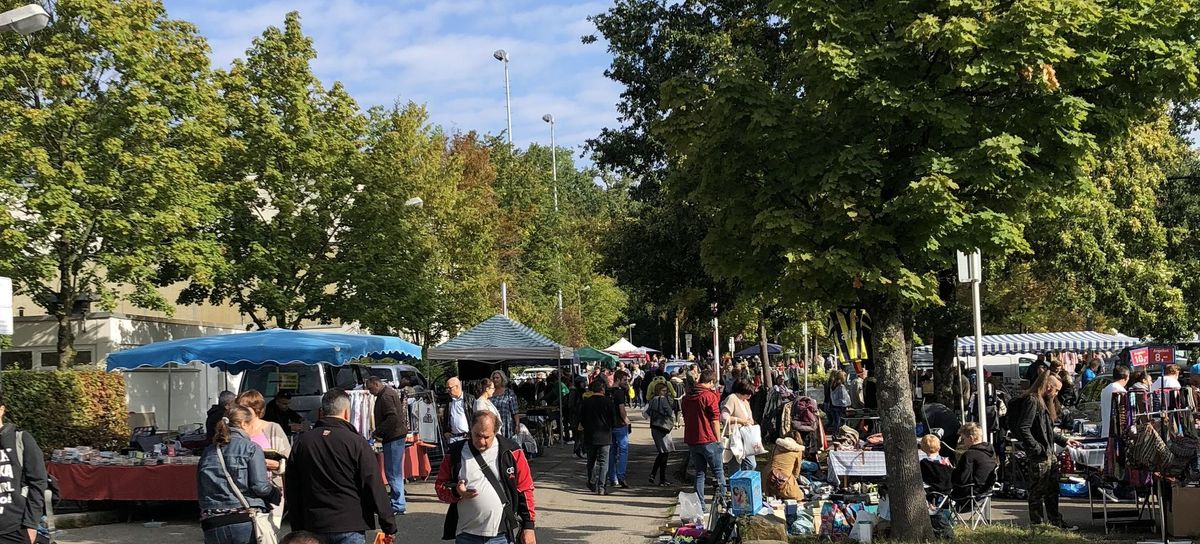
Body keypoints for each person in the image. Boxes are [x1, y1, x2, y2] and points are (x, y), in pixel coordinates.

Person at [285, 389, 397, 544]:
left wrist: (297, 527)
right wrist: (388, 524)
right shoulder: (356, 442)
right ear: (346, 413)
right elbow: (373, 485)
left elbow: (292, 487)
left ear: (322, 412)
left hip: (314, 524)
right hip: (350, 522)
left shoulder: (303, 442)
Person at [435, 411, 537, 544]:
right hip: (466, 534)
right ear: (470, 429)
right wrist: (456, 492)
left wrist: (529, 527)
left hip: (501, 536)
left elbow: (525, 489)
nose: (481, 442)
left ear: (495, 432)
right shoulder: (455, 453)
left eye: (487, 437)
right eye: (477, 435)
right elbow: (440, 487)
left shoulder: (512, 451)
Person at [197, 405, 280, 544]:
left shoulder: (208, 451)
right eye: (251, 425)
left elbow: (201, 488)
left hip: (212, 520)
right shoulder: (251, 448)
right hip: (243, 518)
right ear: (243, 424)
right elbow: (260, 487)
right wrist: (275, 494)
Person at [1011, 371, 1082, 530]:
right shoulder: (1032, 401)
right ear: (1048, 387)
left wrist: (1064, 440)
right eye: (1056, 390)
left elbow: (1047, 430)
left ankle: (1055, 522)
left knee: (1052, 490)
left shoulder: (1042, 402)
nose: (1056, 394)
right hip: (1040, 455)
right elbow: (1024, 428)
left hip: (1048, 453)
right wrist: (1037, 448)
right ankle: (1038, 525)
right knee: (1037, 491)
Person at [236, 390, 291, 533]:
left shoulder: (273, 428)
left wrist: (278, 465)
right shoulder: (236, 431)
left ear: (256, 410)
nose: (241, 412)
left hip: (268, 491)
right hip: (240, 492)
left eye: (245, 408)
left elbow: (289, 461)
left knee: (267, 533)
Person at [0, 392, 47, 544]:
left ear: (1, 410)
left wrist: (31, 525)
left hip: (14, 528)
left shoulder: (20, 439)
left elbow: (38, 482)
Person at [365, 376, 410, 516]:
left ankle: (398, 505)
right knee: (394, 471)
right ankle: (398, 502)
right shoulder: (387, 393)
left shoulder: (385, 396)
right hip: (394, 436)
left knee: (393, 471)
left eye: (371, 388)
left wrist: (378, 432)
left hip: (394, 437)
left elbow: (392, 417)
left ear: (377, 384)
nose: (370, 392)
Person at [682, 369, 724, 503]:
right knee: (718, 472)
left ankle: (700, 505)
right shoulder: (708, 396)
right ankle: (723, 503)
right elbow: (714, 420)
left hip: (692, 440)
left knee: (700, 473)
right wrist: (718, 439)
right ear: (711, 381)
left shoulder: (687, 397)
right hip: (708, 439)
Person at [580, 379, 614, 494]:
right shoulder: (608, 401)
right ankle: (601, 486)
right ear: (603, 389)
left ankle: (591, 481)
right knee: (603, 462)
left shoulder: (586, 402)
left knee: (591, 461)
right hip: (605, 435)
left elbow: (582, 419)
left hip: (590, 435)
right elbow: (613, 419)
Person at [952, 422, 997, 503]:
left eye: (963, 439)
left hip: (970, 495)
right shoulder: (990, 452)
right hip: (986, 492)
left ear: (971, 438)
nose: (963, 442)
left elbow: (962, 478)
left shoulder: (969, 455)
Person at [722, 379, 756, 471]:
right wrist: (741, 421)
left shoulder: (745, 402)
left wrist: (750, 422)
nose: (749, 396)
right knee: (735, 465)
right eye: (748, 394)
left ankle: (744, 481)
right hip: (735, 437)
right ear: (742, 391)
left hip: (746, 436)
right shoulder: (732, 398)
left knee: (751, 464)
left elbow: (750, 417)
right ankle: (736, 483)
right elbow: (724, 417)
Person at [647, 383, 675, 486]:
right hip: (663, 427)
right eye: (663, 391)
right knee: (665, 452)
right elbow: (669, 411)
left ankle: (654, 475)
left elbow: (648, 412)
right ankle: (661, 478)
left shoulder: (652, 400)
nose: (665, 392)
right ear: (659, 391)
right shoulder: (663, 400)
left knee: (662, 452)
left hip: (655, 426)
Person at [608, 370, 632, 489]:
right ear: (618, 379)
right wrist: (626, 420)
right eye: (624, 380)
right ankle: (621, 475)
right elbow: (621, 409)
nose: (626, 382)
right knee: (623, 451)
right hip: (620, 425)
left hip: (609, 425)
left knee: (611, 451)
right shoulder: (619, 393)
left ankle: (612, 478)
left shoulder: (607, 391)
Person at [768, 431, 805, 500]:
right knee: (800, 496)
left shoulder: (777, 445)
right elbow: (796, 470)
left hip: (768, 477)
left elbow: (770, 460)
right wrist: (794, 481)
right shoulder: (798, 450)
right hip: (783, 480)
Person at [443, 377, 476, 444]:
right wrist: (445, 432)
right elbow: (446, 417)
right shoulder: (449, 401)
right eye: (447, 388)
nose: (448, 390)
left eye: (449, 388)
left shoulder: (470, 399)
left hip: (467, 437)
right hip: (452, 438)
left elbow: (476, 417)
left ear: (457, 387)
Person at [1100, 366, 1130, 439]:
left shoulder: (1105, 390)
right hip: (1117, 433)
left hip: (1105, 431)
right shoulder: (1121, 392)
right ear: (1126, 377)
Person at [490, 371, 519, 439]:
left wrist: (517, 425)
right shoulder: (490, 392)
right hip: (492, 424)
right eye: (493, 378)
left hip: (506, 424)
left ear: (502, 379)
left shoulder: (509, 393)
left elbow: (515, 411)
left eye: (497, 378)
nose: (495, 380)